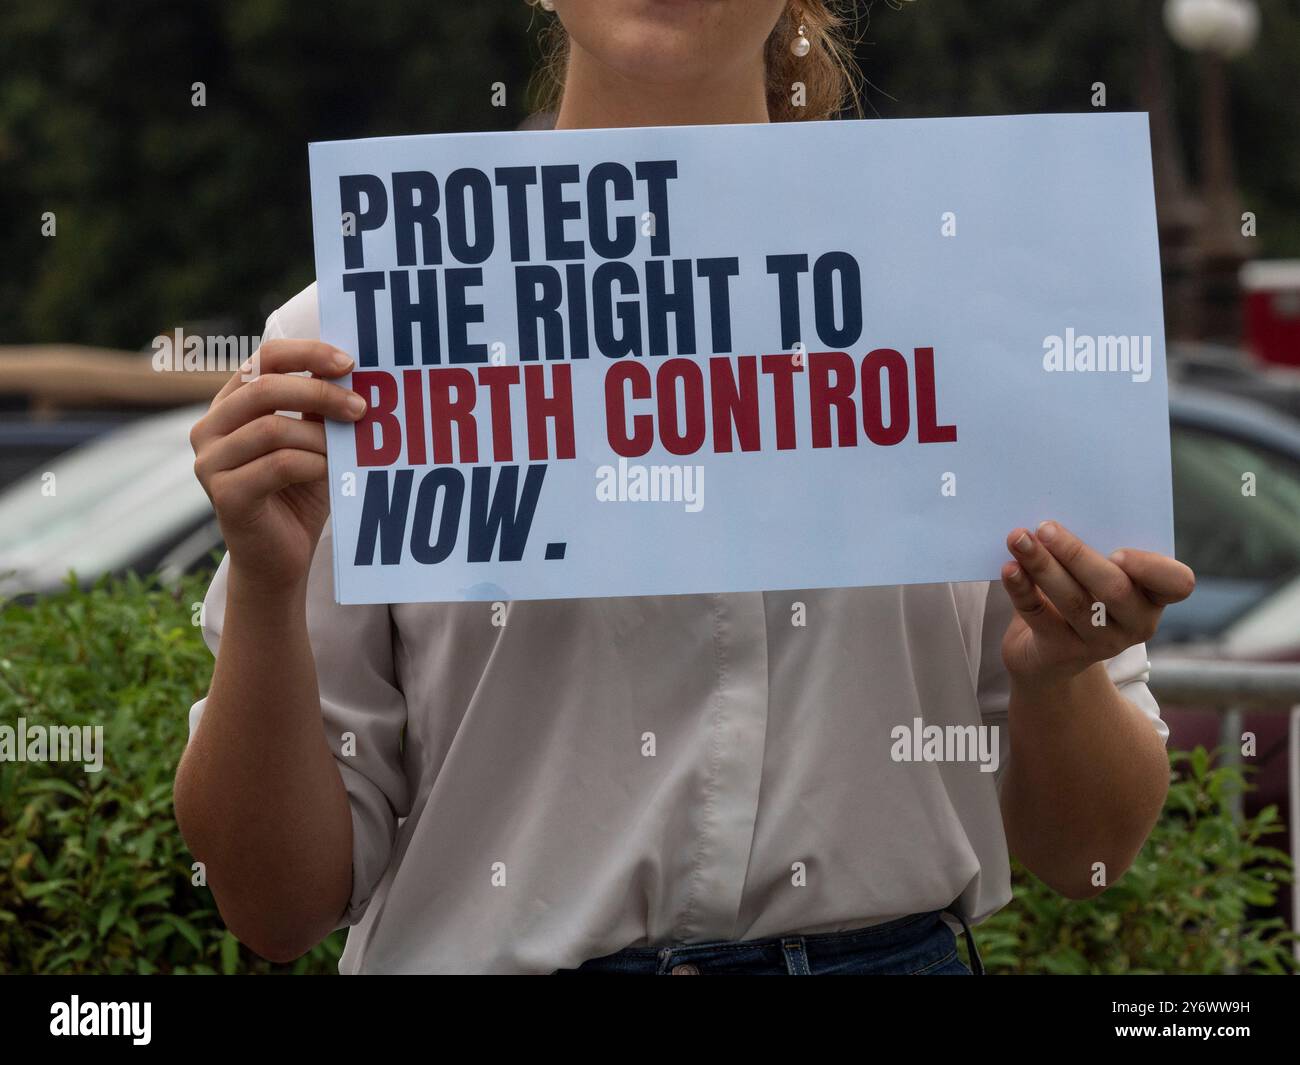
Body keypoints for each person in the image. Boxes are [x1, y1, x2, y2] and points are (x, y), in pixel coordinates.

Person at [174, 0, 1194, 975]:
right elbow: (274, 909)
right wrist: (267, 584)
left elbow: (1087, 856)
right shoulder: (361, 340)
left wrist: (1055, 677)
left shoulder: (967, 303)